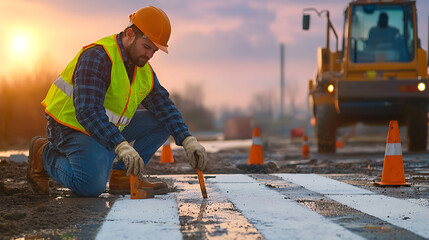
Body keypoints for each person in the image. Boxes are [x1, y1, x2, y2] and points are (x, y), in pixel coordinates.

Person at [27, 6, 207, 197]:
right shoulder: (98, 57)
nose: (149, 56)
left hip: (105, 127)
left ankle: (121, 176)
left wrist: (187, 139)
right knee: (91, 186)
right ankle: (44, 154)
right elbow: (87, 111)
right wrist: (120, 145)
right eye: (147, 47)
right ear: (130, 34)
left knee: (164, 122)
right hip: (72, 127)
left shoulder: (143, 68)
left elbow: (164, 106)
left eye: (154, 51)